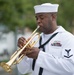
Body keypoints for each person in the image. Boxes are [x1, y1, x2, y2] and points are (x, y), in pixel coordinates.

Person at [17, 3, 74, 75]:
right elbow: (23, 70)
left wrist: (39, 55)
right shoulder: (34, 40)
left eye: (42, 17)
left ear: (53, 17)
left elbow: (70, 68)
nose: (38, 21)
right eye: (36, 18)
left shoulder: (68, 38)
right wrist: (22, 53)